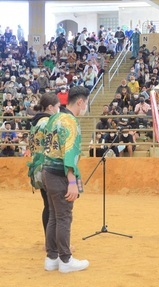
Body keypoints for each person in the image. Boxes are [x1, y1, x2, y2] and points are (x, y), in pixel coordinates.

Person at [42, 86, 90, 273]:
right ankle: (65, 259)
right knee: (64, 217)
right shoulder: (71, 121)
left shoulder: (54, 118)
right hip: (60, 174)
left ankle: (52, 257)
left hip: (48, 171)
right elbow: (69, 153)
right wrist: (72, 181)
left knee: (54, 215)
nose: (86, 106)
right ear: (80, 102)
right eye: (86, 103)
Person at [28, 93, 60, 240]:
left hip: (37, 167)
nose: (59, 109)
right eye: (58, 107)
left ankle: (49, 241)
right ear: (50, 107)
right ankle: (52, 243)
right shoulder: (48, 122)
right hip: (48, 167)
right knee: (53, 208)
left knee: (47, 205)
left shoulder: (35, 122)